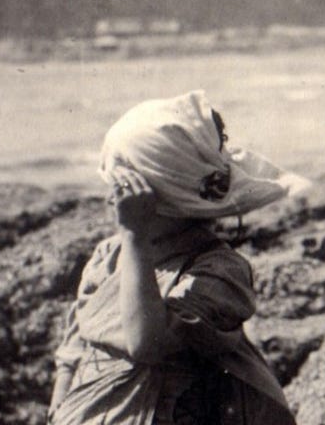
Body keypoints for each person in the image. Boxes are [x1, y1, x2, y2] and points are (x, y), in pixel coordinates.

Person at [49, 91, 303, 425]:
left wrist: (135, 235)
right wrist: (57, 408)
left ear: (166, 196)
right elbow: (74, 350)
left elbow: (146, 343)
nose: (111, 198)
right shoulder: (109, 255)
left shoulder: (218, 271)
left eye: (124, 188)